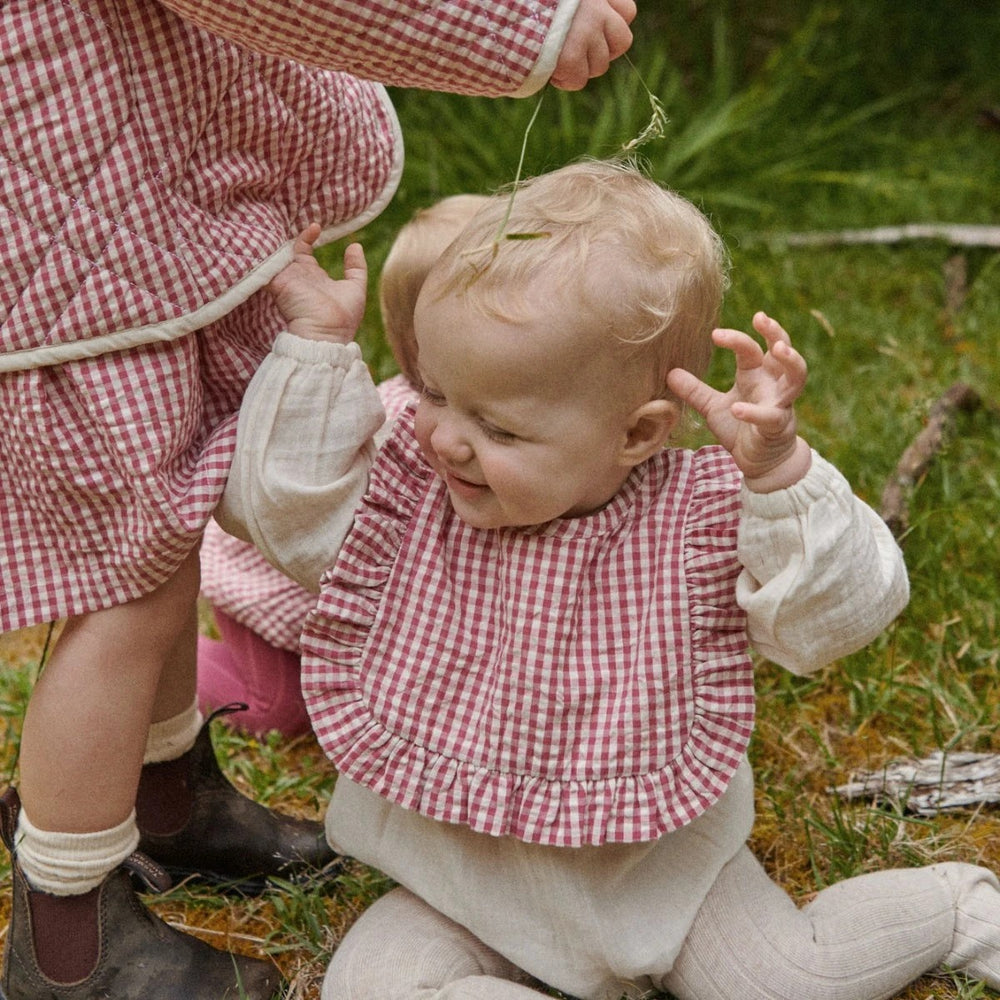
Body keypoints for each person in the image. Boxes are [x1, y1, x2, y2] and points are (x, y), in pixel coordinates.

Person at [220, 158, 1000, 1000]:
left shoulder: (696, 525)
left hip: (661, 875)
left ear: (637, 433)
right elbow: (282, 513)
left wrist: (779, 479)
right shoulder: (414, 496)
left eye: (499, 427)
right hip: (459, 887)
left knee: (786, 981)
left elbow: (839, 614)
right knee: (369, 988)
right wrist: (319, 352)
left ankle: (953, 906)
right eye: (435, 391)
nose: (444, 438)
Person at [0, 1, 636, 996]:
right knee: (125, 595)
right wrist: (525, 29)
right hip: (76, 242)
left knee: (162, 548)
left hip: (113, 213)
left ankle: (168, 800)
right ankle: (67, 942)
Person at [198, 194, 489, 738]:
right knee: (277, 708)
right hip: (276, 588)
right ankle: (172, 658)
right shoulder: (404, 430)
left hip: (364, 604)